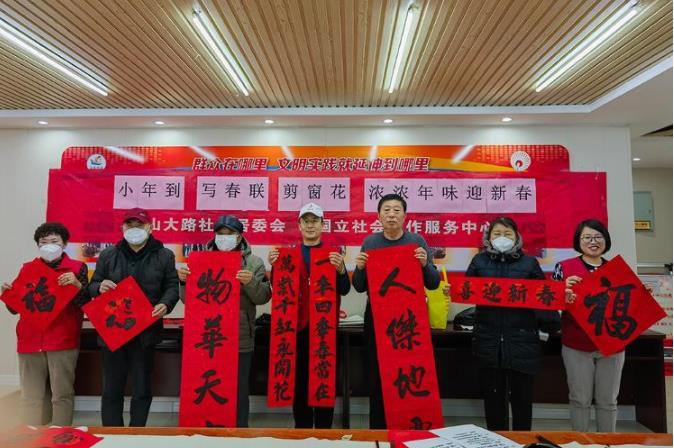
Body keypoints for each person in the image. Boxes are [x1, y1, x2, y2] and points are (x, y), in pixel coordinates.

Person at [351, 193, 440, 429]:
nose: (391, 214)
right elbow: (359, 286)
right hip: (378, 320)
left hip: (410, 321)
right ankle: (378, 430)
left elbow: (433, 283)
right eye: (387, 210)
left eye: (397, 210)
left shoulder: (417, 241)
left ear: (405, 215)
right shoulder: (370, 242)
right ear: (379, 216)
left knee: (409, 373)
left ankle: (409, 427)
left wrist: (425, 264)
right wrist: (359, 268)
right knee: (378, 376)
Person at [465, 216, 560, 431]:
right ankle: (497, 440)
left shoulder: (529, 263)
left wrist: (551, 323)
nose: (502, 238)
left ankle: (523, 441)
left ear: (517, 237)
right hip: (489, 340)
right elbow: (466, 289)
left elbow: (543, 297)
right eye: (497, 233)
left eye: (508, 234)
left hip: (522, 340)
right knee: (493, 400)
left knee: (522, 400)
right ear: (488, 237)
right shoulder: (479, 261)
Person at [88, 208, 179, 427]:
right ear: (122, 228)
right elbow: (92, 285)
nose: (134, 229)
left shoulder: (164, 255)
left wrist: (165, 304)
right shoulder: (108, 255)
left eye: (139, 225)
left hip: (145, 333)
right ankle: (113, 432)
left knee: (142, 388)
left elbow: (171, 287)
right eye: (130, 225)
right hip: (112, 333)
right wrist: (99, 287)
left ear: (150, 228)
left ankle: (137, 431)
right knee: (111, 388)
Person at [178, 214, 271, 427]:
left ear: (239, 237)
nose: (224, 238)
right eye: (220, 234)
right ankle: (207, 432)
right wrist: (183, 282)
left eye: (230, 234)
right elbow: (187, 300)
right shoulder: (199, 260)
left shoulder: (254, 263)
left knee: (238, 390)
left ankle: (239, 433)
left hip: (239, 337)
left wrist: (250, 282)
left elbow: (264, 296)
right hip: (207, 335)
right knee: (207, 384)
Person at [268, 203, 350, 428]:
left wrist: (341, 270)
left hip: (324, 328)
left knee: (324, 376)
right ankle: (302, 430)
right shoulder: (290, 255)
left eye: (315, 221)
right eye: (306, 221)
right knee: (300, 381)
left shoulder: (333, 255)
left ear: (323, 225)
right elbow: (278, 288)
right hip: (298, 329)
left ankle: (324, 431)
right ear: (299, 225)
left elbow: (344, 289)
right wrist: (274, 266)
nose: (310, 225)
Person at [1, 222, 90, 426]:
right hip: (30, 339)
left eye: (54, 241)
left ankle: (60, 435)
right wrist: (7, 295)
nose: (49, 246)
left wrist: (77, 285)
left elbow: (86, 303)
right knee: (30, 395)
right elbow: (15, 309)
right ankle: (28, 436)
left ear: (64, 244)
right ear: (38, 245)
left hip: (62, 339)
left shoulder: (77, 268)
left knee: (62, 394)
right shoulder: (28, 269)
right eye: (43, 242)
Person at [553, 219, 623, 432]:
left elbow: (626, 304)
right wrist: (563, 291)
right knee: (579, 399)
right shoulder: (564, 268)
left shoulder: (617, 270)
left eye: (598, 237)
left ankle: (607, 443)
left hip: (612, 345)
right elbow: (552, 303)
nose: (593, 241)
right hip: (577, 343)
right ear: (578, 241)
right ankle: (580, 443)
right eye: (587, 237)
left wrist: (643, 295)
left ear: (606, 240)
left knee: (608, 400)